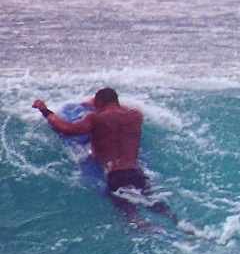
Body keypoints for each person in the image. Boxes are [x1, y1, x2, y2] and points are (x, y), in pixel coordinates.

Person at [32, 87, 177, 226]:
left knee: (132, 217)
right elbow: (117, 111)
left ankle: (149, 231)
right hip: (136, 173)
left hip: (116, 176)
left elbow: (66, 129)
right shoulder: (135, 116)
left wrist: (44, 110)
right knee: (158, 205)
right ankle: (183, 227)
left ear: (99, 103)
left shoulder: (96, 119)